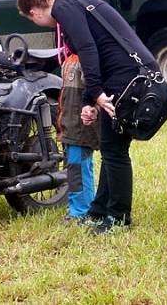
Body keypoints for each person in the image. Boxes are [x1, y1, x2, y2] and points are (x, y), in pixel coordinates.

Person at [18, 0, 158, 234]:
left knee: (115, 151)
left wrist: (94, 92)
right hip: (126, 76)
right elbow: (97, 49)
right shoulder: (76, 0)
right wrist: (89, 100)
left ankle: (118, 218)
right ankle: (99, 210)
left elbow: (88, 49)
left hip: (128, 79)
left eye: (32, 19)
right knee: (109, 145)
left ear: (35, 11)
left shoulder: (64, 7)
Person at [58, 50, 99, 221]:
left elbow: (95, 91)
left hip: (80, 129)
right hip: (69, 128)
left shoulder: (86, 61)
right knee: (75, 169)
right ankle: (79, 208)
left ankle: (82, 211)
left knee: (79, 169)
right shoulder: (70, 61)